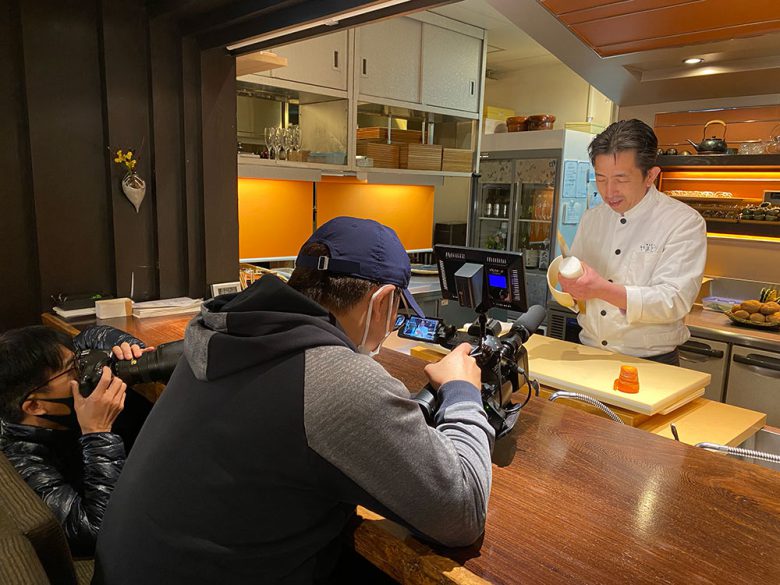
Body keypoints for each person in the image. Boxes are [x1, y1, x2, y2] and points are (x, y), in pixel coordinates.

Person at [92, 217, 495, 585]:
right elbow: (462, 511)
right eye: (397, 312)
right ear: (383, 300)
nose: (392, 325)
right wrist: (461, 390)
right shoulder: (334, 377)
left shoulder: (218, 331)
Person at [558, 119, 707, 365]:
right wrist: (571, 288)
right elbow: (578, 286)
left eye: (621, 179)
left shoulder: (683, 222)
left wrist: (601, 289)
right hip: (589, 353)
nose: (609, 191)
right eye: (601, 178)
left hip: (650, 362)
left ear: (651, 176)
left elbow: (674, 300)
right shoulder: (592, 218)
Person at [0, 325, 152, 557]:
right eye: (74, 369)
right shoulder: (21, 459)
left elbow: (89, 337)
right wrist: (97, 432)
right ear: (34, 406)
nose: (84, 369)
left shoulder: (41, 407)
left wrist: (131, 349)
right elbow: (95, 531)